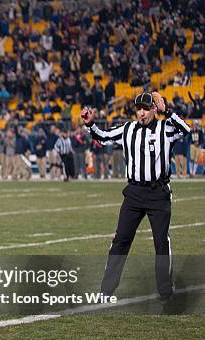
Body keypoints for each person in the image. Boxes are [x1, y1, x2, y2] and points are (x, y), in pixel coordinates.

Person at [81, 92, 191, 303]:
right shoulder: (128, 129)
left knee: (161, 242)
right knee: (120, 241)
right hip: (134, 193)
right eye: (138, 109)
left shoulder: (165, 128)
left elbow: (186, 130)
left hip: (158, 193)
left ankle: (165, 292)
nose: (141, 113)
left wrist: (168, 112)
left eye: (145, 109)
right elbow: (103, 138)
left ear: (154, 110)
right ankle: (106, 291)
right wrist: (91, 124)